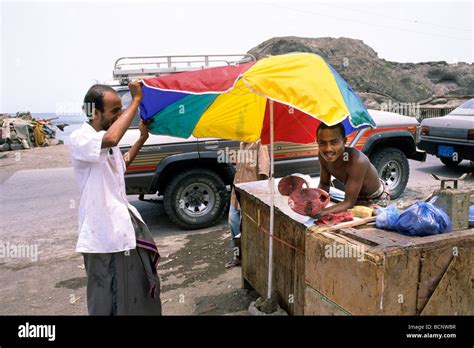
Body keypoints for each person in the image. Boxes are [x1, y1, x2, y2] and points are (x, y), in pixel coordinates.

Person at [69, 81, 162, 315]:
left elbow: (122, 163)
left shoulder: (105, 142)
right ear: (94, 112)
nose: (120, 115)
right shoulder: (81, 138)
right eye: (115, 111)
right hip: (100, 237)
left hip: (121, 232)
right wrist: (137, 101)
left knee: (132, 296)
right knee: (104, 303)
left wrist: (141, 138)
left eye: (122, 109)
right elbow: (112, 139)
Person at [315, 122, 390, 218]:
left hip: (375, 198)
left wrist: (321, 212)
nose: (328, 149)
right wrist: (316, 203)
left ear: (344, 141)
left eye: (334, 142)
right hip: (354, 196)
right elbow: (324, 184)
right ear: (317, 141)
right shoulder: (322, 156)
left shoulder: (357, 161)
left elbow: (349, 203)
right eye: (322, 143)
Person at [225, 140, 270, 268]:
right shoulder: (242, 144)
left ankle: (253, 256)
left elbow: (264, 171)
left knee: (250, 226)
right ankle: (238, 256)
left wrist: (260, 197)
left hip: (250, 194)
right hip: (237, 192)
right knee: (233, 221)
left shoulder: (260, 144)